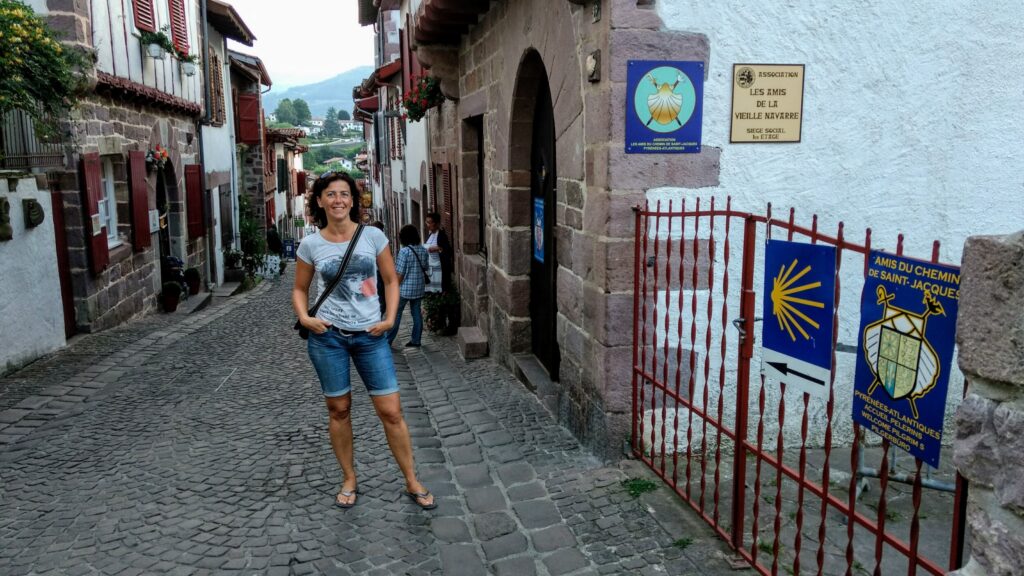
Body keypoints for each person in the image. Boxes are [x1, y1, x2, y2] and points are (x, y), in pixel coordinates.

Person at [292, 171, 436, 511]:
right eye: (331, 194)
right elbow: (299, 289)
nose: (338, 200)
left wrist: (388, 319)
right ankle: (349, 477)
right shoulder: (310, 244)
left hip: (370, 337)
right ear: (320, 201)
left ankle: (412, 479)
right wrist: (305, 318)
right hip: (327, 338)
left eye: (344, 194)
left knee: (391, 412)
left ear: (354, 201)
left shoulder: (373, 237)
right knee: (338, 410)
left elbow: (390, 280)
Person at [388, 225, 429, 348]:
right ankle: (416, 340)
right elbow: (426, 267)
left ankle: (387, 341)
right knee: (416, 313)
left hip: (404, 290)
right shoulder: (423, 250)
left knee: (396, 314)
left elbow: (400, 273)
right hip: (418, 288)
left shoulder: (404, 252)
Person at [424, 212, 453, 292]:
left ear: (436, 224)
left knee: (439, 290)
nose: (428, 225)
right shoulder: (430, 235)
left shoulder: (441, 236)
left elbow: (448, 251)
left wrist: (438, 249)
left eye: (430, 222)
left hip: (440, 269)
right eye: (427, 222)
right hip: (431, 269)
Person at [370, 220, 387, 319]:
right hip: (377, 274)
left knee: (379, 300)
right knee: (380, 300)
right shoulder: (374, 241)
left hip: (377, 274)